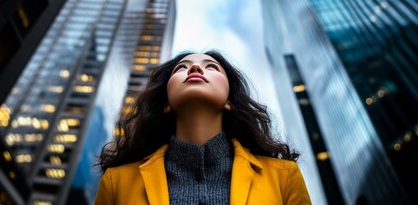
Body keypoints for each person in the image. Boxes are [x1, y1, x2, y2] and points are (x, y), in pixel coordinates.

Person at [94, 50, 311, 204]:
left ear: (229, 101)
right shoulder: (117, 181)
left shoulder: (284, 177)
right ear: (166, 104)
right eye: (182, 67)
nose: (196, 68)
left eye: (211, 67)